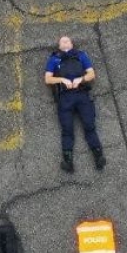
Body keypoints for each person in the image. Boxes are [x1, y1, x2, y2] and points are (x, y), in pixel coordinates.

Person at [45, 37, 106, 172]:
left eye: (67, 40)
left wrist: (81, 79)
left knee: (89, 126)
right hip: (65, 97)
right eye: (62, 41)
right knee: (67, 130)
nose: (65, 42)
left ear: (72, 44)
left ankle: (98, 156)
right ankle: (68, 161)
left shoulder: (81, 55)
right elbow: (48, 78)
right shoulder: (54, 59)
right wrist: (61, 79)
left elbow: (91, 74)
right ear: (59, 46)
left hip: (81, 95)